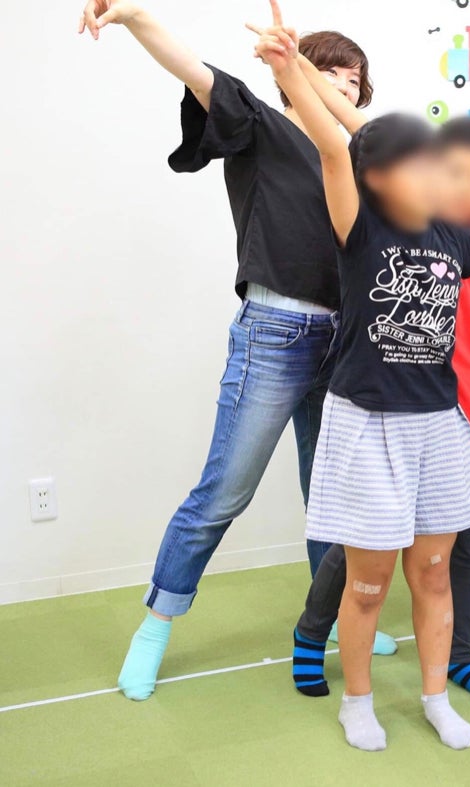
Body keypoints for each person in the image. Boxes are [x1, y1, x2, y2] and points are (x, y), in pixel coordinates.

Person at [254, 12, 470, 751]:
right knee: (369, 582)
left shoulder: (455, 238)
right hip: (368, 419)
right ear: (379, 179)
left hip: (440, 422)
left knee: (435, 572)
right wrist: (290, 70)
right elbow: (335, 143)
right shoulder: (360, 227)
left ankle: (436, 696)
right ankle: (357, 701)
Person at [77, 0, 375, 701]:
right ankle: (156, 623)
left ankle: (330, 621)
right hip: (275, 333)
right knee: (223, 491)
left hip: (346, 343)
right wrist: (135, 17)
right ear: (294, 71)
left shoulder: (361, 158)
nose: (343, 85)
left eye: (354, 80)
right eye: (330, 71)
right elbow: (194, 70)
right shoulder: (261, 125)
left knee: (332, 499)